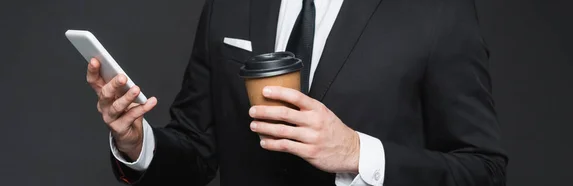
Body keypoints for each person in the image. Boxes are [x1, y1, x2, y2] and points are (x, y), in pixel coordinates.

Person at [86, 0, 507, 185]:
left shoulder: (438, 10)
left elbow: (483, 171)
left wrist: (359, 153)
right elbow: (197, 148)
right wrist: (137, 143)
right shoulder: (228, 4)